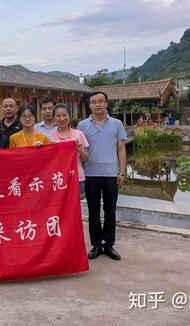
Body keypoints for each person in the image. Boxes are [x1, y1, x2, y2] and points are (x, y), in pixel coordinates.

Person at [78, 92, 127, 261]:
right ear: (89, 105)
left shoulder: (116, 124)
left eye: (101, 101)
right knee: (93, 211)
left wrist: (122, 172)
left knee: (110, 210)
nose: (97, 104)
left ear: (107, 104)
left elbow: (121, 149)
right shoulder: (82, 126)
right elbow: (79, 152)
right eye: (93, 102)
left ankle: (109, 244)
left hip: (111, 175)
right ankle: (96, 244)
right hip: (90, 175)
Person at [50, 104, 89, 199]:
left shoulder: (78, 134)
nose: (62, 118)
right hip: (58, 179)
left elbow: (86, 158)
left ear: (69, 116)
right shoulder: (49, 137)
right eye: (58, 116)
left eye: (64, 115)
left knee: (77, 209)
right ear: (54, 118)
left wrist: (80, 150)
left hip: (77, 178)